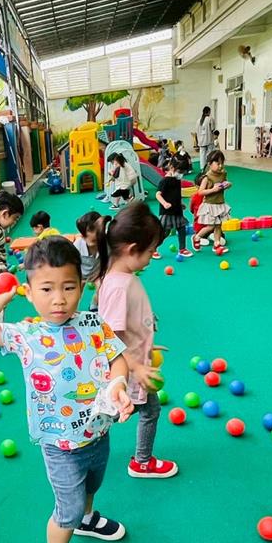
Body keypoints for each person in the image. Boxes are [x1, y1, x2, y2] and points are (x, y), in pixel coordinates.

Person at [0, 236, 133, 543]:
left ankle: (87, 520)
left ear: (82, 286)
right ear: (29, 292)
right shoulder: (26, 334)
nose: (59, 299)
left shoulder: (93, 324)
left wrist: (118, 384)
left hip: (98, 433)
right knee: (67, 508)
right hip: (59, 445)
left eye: (68, 287)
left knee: (93, 486)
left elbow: (117, 359)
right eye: (46, 289)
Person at [97, 204, 179, 481]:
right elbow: (109, 340)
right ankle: (141, 462)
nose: (152, 257)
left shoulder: (122, 277)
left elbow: (128, 327)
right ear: (132, 250)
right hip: (128, 371)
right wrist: (137, 366)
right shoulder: (119, 287)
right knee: (139, 410)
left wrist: (146, 346)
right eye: (150, 251)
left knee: (131, 409)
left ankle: (90, 433)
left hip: (133, 364)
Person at [192, 151, 231, 253]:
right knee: (211, 226)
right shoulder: (207, 177)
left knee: (218, 225)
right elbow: (200, 192)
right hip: (210, 205)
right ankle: (197, 237)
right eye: (218, 163)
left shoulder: (223, 174)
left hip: (219, 203)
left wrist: (227, 185)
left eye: (222, 163)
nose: (220, 166)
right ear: (210, 164)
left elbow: (224, 182)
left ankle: (216, 245)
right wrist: (213, 190)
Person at [154, 156, 191, 258]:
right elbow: (158, 194)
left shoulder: (177, 180)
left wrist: (180, 203)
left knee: (182, 228)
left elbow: (176, 194)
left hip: (177, 210)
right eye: (180, 171)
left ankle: (182, 249)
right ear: (172, 167)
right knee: (165, 232)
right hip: (167, 212)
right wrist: (164, 203)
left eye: (183, 172)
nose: (181, 174)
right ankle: (153, 247)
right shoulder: (164, 181)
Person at [197, 106, 216, 171]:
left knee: (202, 155)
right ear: (208, 112)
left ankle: (202, 168)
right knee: (210, 154)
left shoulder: (198, 120)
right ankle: (209, 167)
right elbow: (213, 129)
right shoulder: (210, 119)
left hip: (201, 140)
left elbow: (197, 131)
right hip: (209, 139)